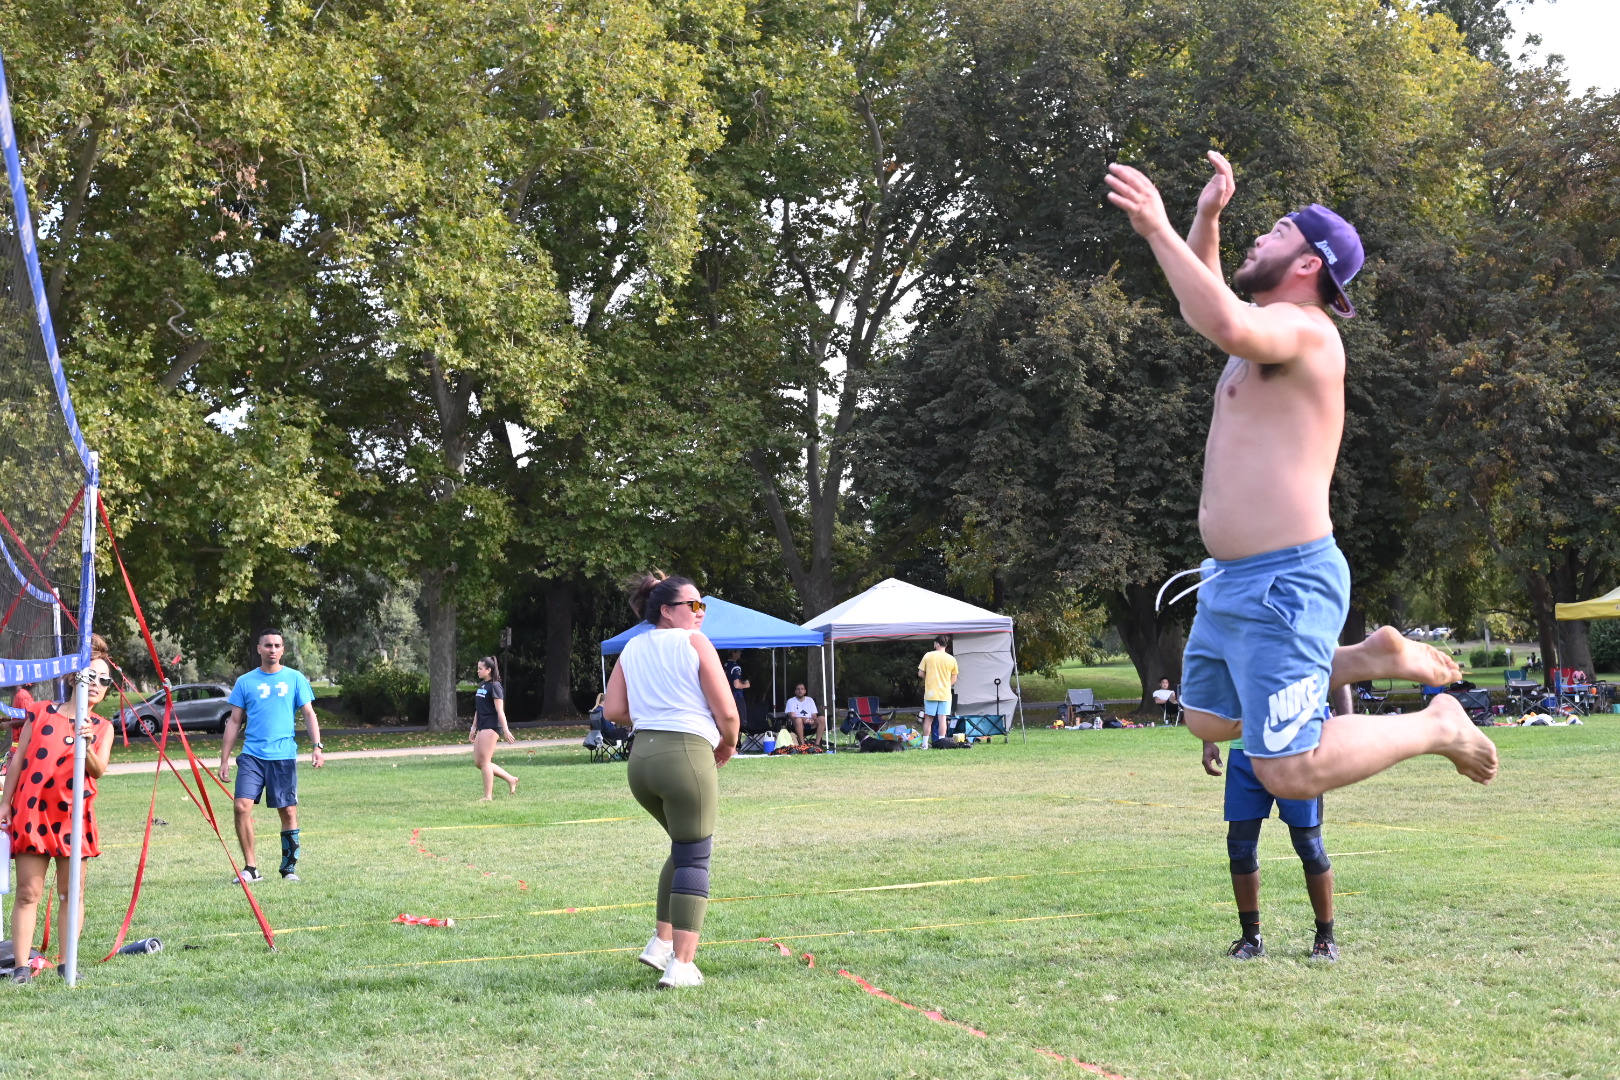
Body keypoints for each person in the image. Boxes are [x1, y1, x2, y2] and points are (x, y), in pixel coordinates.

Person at [1104, 150, 1498, 799]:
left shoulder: (1308, 331)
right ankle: (1360, 659)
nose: (1261, 237)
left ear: (1310, 263)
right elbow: (1205, 309)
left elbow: (1222, 318)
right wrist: (1206, 220)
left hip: (1286, 580)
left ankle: (1437, 724)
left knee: (1287, 770)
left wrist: (1156, 226)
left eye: (1278, 232)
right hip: (1230, 578)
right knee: (1207, 717)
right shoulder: (1266, 335)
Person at [604, 572, 739, 989]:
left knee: (683, 850)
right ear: (666, 610)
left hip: (641, 762)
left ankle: (661, 943)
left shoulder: (632, 647)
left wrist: (653, 714)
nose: (700, 612)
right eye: (692, 605)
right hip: (684, 757)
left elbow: (613, 710)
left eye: (702, 605)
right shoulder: (695, 642)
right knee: (695, 857)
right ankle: (681, 965)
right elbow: (727, 712)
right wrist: (728, 744)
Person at [0, 634, 115, 982]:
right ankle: (22, 968)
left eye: (105, 681)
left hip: (73, 818)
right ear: (74, 676)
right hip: (33, 813)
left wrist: (87, 743)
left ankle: (68, 964)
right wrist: (5, 803)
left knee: (70, 894)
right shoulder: (40, 713)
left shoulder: (102, 727)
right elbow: (18, 761)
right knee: (28, 893)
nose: (97, 685)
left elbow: (98, 770)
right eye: (91, 676)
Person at [218, 629, 324, 884]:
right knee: (241, 806)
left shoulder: (295, 678)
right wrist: (224, 759)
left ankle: (289, 869)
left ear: (283, 650)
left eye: (277, 645)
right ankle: (251, 868)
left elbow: (309, 713)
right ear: (259, 649)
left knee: (287, 811)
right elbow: (234, 721)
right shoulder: (245, 682)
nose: (272, 649)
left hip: (283, 755)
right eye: (267, 645)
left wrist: (317, 746)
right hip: (252, 756)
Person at [470, 657, 517, 800]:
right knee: (479, 762)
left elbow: (500, 710)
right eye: (478, 668)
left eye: (480, 668)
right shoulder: (482, 685)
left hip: (492, 725)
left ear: (489, 670)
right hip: (482, 725)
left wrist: (506, 730)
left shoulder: (495, 686)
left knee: (485, 761)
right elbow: (478, 709)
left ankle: (487, 796)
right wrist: (473, 727)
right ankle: (511, 779)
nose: (478, 671)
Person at [917, 636, 958, 743]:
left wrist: (929, 679)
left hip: (931, 693)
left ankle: (925, 744)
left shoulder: (928, 655)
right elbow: (954, 678)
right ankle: (942, 742)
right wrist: (946, 685)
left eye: (934, 644)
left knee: (928, 718)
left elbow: (920, 673)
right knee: (942, 719)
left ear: (937, 644)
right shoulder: (951, 659)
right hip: (945, 693)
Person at [725, 650, 750, 721]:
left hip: (727, 696)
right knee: (741, 721)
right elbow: (736, 685)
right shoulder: (735, 667)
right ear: (733, 653)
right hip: (737, 696)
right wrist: (746, 685)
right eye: (738, 651)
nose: (740, 653)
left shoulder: (725, 665)